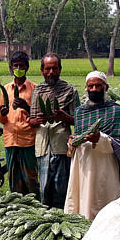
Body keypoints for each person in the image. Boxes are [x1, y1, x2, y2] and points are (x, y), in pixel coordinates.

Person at [65, 71, 120, 220]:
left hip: (105, 166)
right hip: (82, 164)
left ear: (106, 87)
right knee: (82, 200)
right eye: (91, 86)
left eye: (98, 85)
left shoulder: (116, 111)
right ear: (86, 88)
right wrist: (71, 142)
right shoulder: (79, 112)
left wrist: (100, 139)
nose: (94, 89)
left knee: (104, 204)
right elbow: (77, 138)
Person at [29, 54, 79, 209]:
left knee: (60, 186)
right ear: (42, 70)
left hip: (61, 143)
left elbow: (78, 120)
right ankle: (45, 216)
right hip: (43, 144)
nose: (51, 72)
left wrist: (65, 117)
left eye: (54, 68)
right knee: (44, 186)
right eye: (47, 69)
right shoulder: (38, 91)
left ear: (60, 69)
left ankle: (62, 216)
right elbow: (31, 120)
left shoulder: (69, 91)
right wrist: (36, 121)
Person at [0, 51, 39, 196]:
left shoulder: (35, 89)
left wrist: (26, 107)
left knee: (30, 177)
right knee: (14, 178)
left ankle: (34, 203)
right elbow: (1, 117)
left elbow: (38, 116)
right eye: (15, 66)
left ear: (27, 67)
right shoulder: (6, 90)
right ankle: (17, 204)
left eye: (21, 66)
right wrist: (2, 114)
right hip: (10, 139)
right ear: (11, 68)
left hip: (28, 139)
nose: (18, 69)